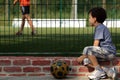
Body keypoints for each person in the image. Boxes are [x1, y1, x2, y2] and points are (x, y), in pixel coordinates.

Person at [77, 7, 117, 80]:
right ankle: (109, 71)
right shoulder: (99, 27)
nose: (88, 19)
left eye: (89, 17)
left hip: (109, 52)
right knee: (86, 61)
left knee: (87, 49)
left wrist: (83, 56)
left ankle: (99, 71)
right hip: (103, 52)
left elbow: (95, 46)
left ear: (95, 19)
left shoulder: (100, 28)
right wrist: (85, 57)